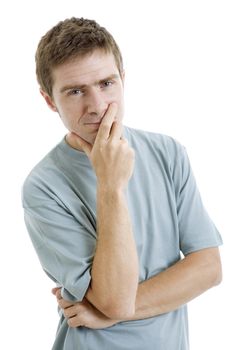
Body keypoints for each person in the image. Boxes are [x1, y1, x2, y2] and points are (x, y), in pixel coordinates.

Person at [22, 17, 223, 350]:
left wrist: (111, 314)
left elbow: (208, 268)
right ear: (48, 100)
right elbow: (115, 299)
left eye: (106, 83)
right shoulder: (43, 187)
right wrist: (110, 185)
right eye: (75, 91)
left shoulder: (167, 153)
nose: (97, 106)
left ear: (123, 80)